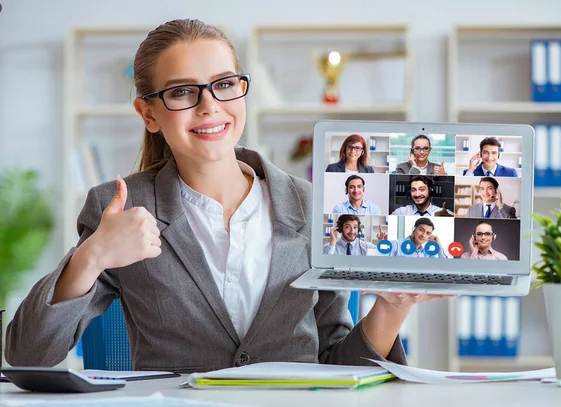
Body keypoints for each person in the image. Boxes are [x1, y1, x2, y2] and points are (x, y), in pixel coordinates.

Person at [5, 19, 450, 372]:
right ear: (149, 113)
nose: (209, 106)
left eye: (224, 84)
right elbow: (28, 354)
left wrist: (391, 309)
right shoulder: (120, 209)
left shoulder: (313, 205)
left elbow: (335, 367)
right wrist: (93, 255)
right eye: (182, 92)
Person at [379, 218, 448, 258]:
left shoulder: (426, 253)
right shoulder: (395, 245)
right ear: (414, 229)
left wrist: (439, 245)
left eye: (428, 233)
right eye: (421, 230)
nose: (423, 235)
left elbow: (445, 267)